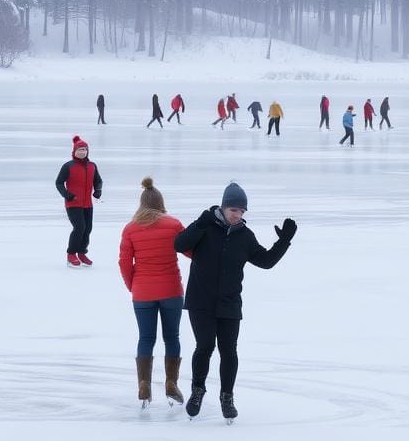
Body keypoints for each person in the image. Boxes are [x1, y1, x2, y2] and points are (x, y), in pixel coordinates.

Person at [174, 182, 296, 421]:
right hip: (201, 301)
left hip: (229, 303)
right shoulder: (206, 228)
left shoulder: (245, 236)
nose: (238, 215)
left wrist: (284, 241)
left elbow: (266, 261)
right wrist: (201, 222)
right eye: (234, 210)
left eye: (242, 212)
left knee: (229, 351)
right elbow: (179, 245)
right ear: (223, 207)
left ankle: (227, 397)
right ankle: (197, 391)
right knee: (205, 346)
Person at [119, 177, 186, 407]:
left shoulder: (130, 229)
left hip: (142, 293)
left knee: (146, 338)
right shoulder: (174, 225)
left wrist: (134, 287)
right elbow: (192, 251)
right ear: (160, 202)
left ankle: (144, 384)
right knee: (172, 337)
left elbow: (124, 263)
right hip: (171, 290)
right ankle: (171, 383)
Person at [55, 136, 103, 268]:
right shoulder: (68, 166)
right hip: (73, 203)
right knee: (79, 227)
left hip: (87, 203)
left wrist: (98, 190)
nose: (82, 152)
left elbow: (98, 181)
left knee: (88, 228)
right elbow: (59, 182)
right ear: (74, 151)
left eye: (84, 150)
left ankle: (82, 253)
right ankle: (71, 255)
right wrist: (66, 194)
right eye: (80, 150)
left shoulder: (92, 166)